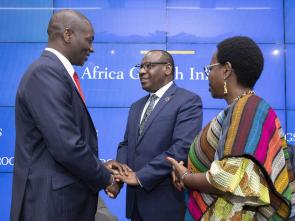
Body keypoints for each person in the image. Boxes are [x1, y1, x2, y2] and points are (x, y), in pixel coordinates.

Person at [10, 9, 126, 221]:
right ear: (67, 35)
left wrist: (98, 166)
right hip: (51, 206)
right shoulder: (45, 73)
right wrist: (105, 178)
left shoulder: (54, 72)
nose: (91, 48)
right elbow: (66, 145)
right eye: (89, 40)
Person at [167, 36, 295, 220]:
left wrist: (187, 176)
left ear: (226, 70)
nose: (208, 75)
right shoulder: (240, 108)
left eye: (210, 69)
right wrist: (186, 171)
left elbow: (228, 177)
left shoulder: (248, 108)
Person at [114, 50, 203, 221]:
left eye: (149, 66)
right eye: (140, 67)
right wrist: (119, 175)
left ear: (167, 69)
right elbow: (126, 144)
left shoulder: (188, 101)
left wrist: (140, 177)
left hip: (165, 205)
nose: (141, 71)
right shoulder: (136, 106)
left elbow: (181, 148)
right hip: (135, 205)